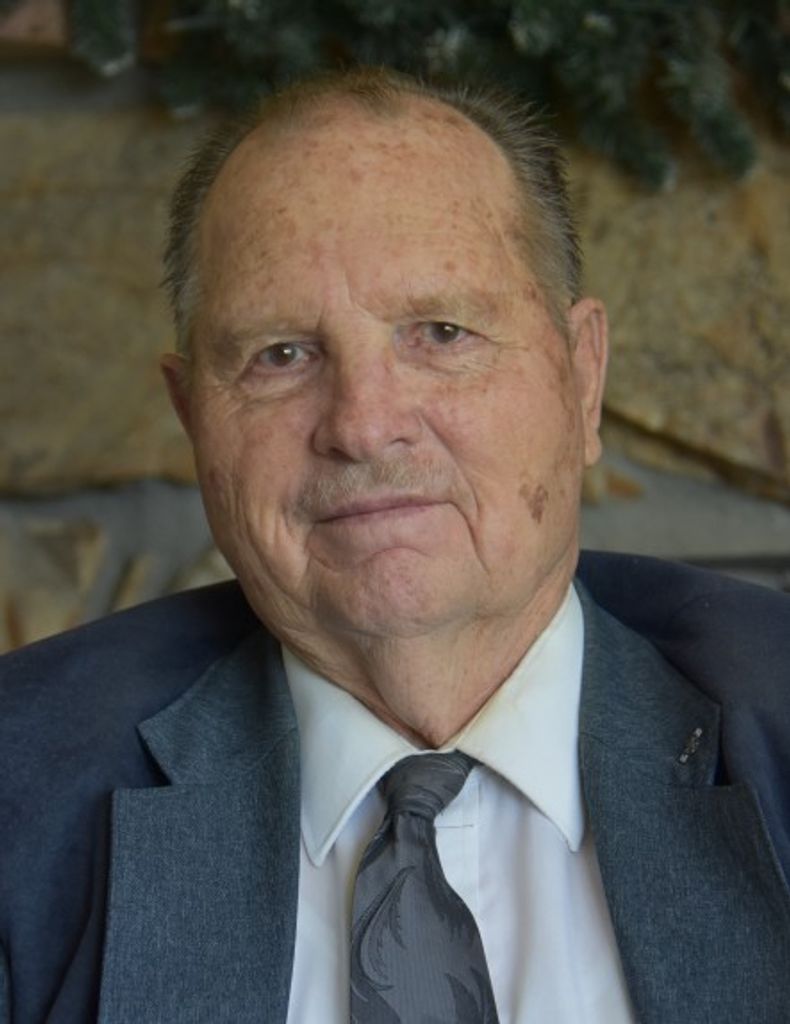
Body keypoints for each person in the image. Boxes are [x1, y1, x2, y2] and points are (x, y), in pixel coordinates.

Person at [1, 66, 789, 1024]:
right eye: (281, 354)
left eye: (442, 333)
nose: (364, 425)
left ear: (583, 381)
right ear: (192, 414)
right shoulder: (20, 789)